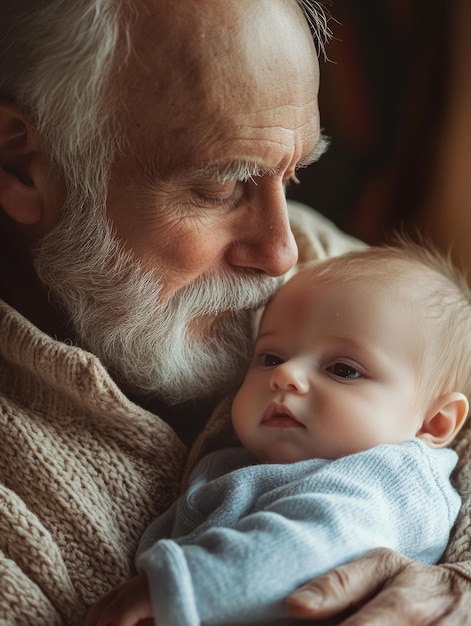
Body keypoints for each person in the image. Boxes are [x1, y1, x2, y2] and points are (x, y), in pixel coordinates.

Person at [0, 2, 471, 625]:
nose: (283, 255)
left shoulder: (334, 279)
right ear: (20, 167)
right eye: (221, 187)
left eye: (293, 175)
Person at [83, 241, 471, 626]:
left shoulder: (394, 477)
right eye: (271, 358)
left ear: (434, 423)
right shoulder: (238, 463)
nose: (285, 375)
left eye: (343, 370)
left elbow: (316, 539)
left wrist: (174, 585)